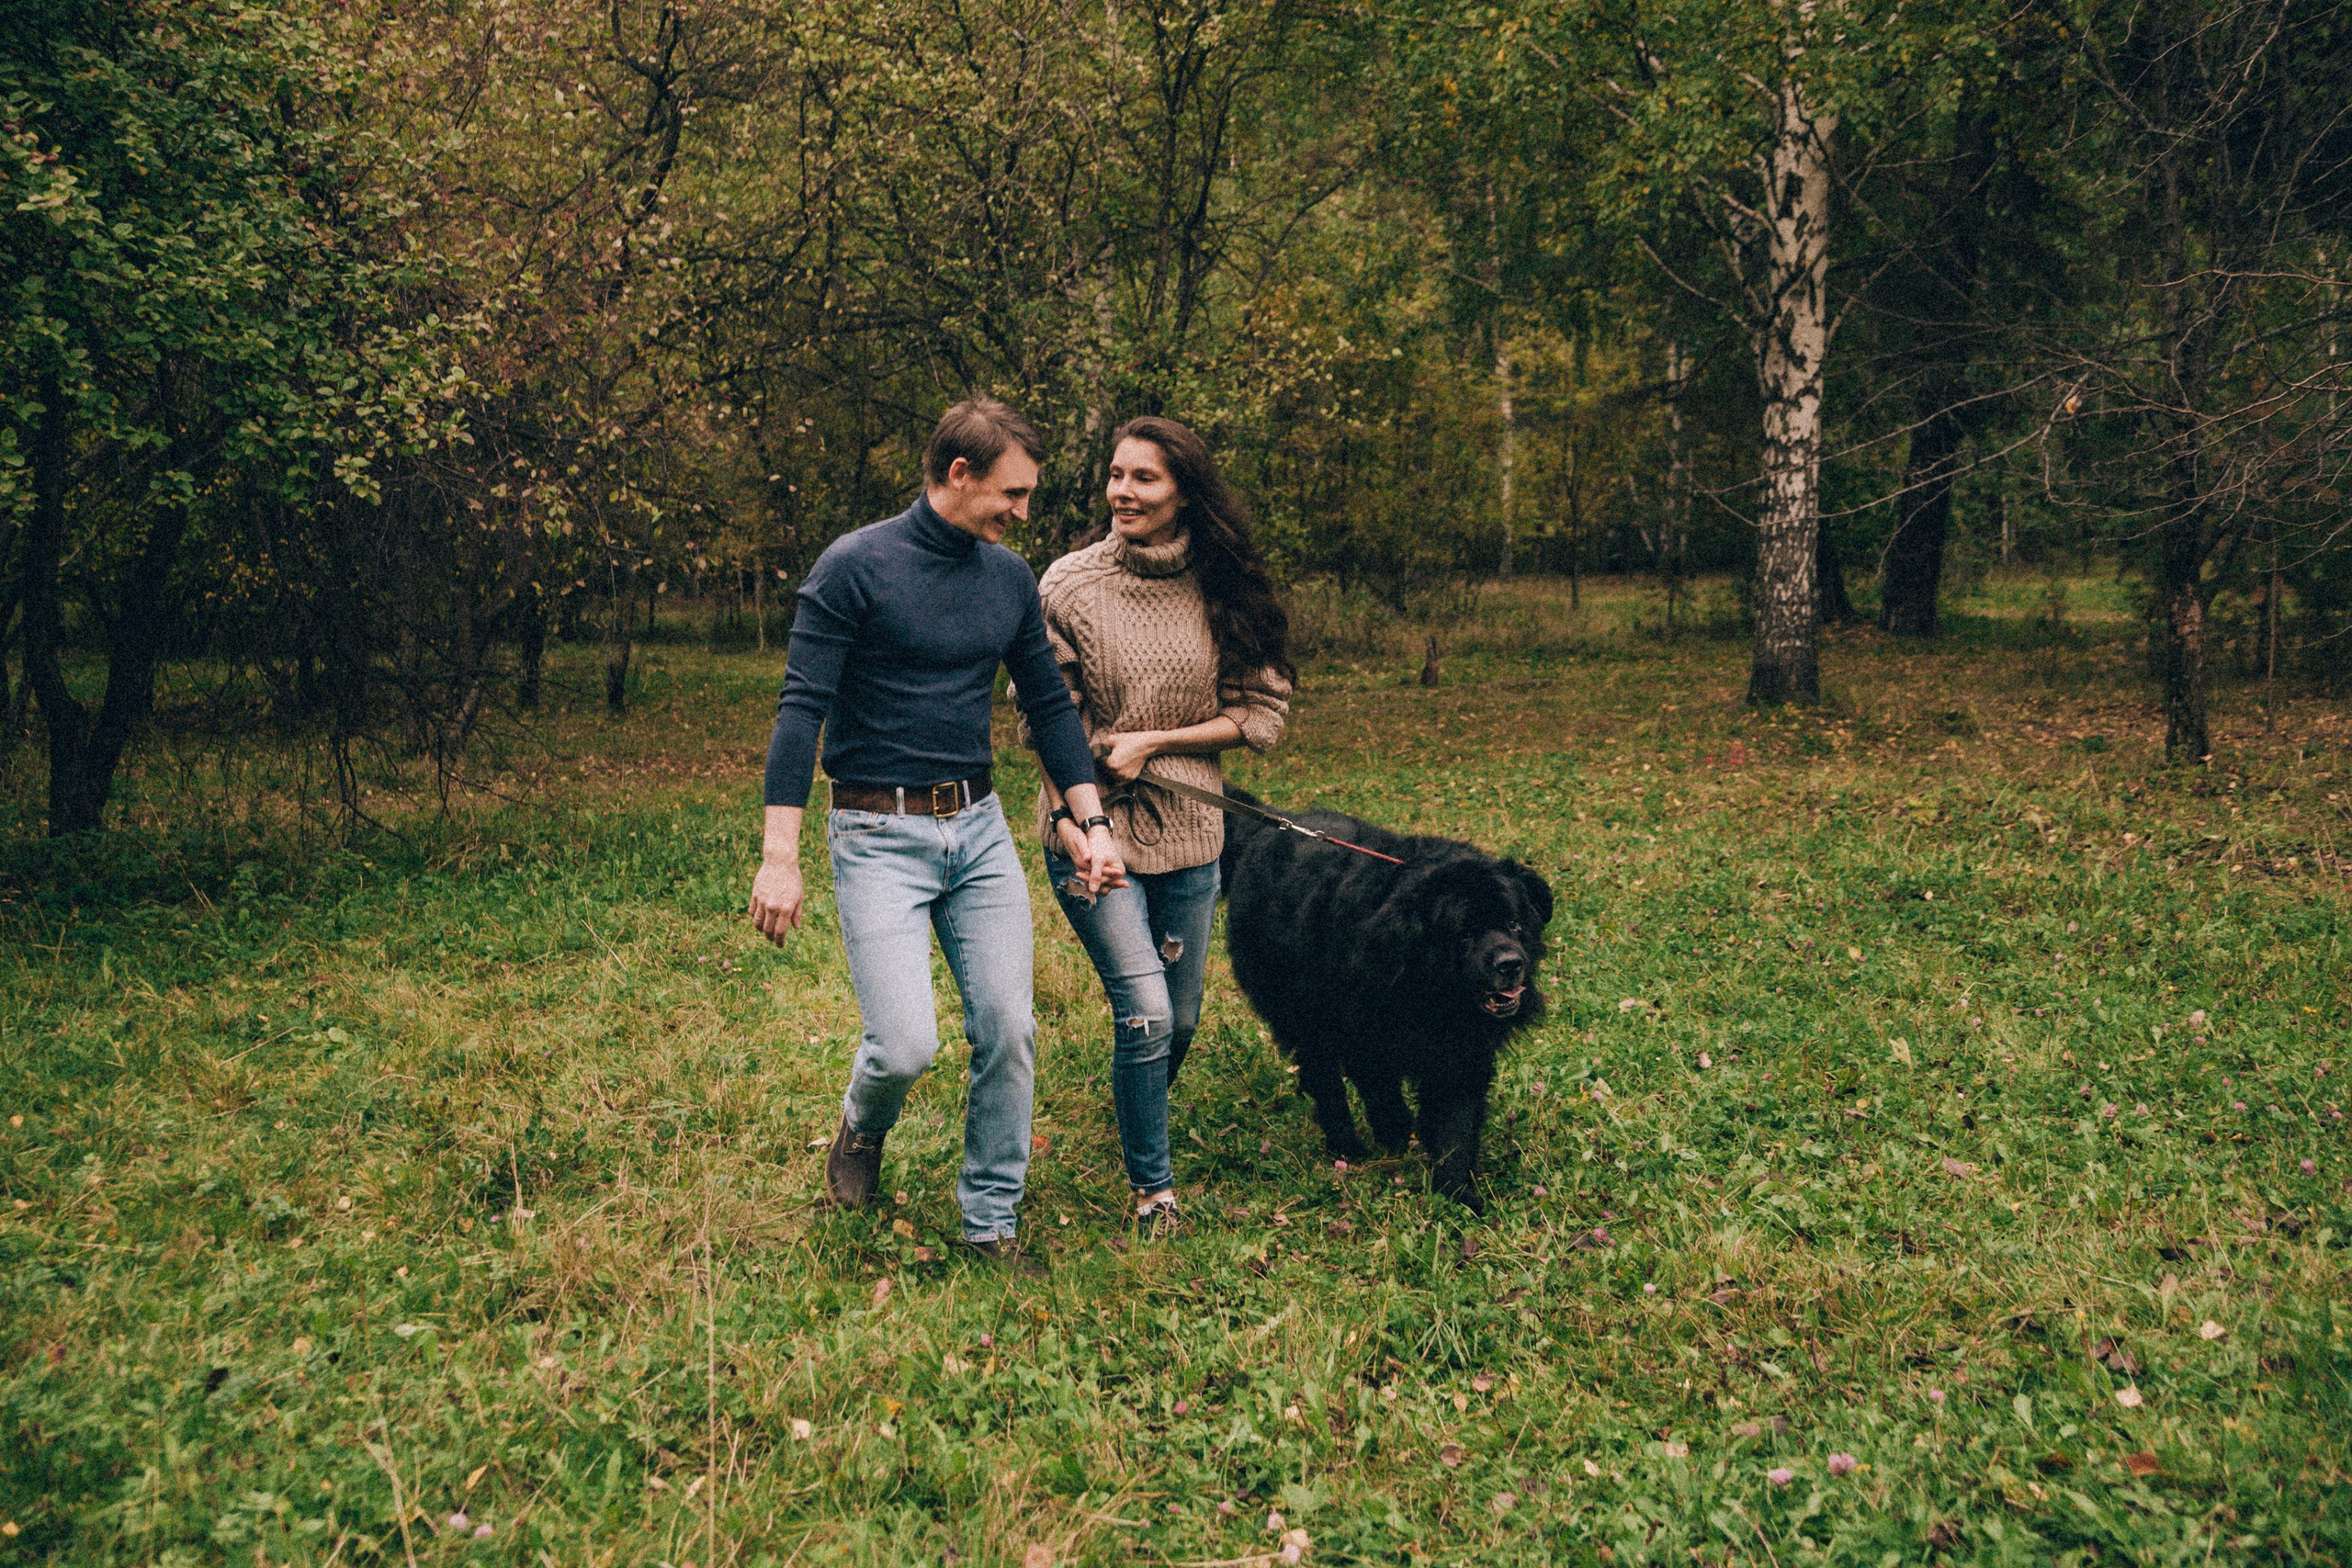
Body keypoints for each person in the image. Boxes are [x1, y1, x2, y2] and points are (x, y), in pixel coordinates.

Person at [748, 398, 1123, 1274]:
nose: (1024, 513)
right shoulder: (853, 568)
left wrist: (1092, 820)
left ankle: (989, 1221)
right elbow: (800, 709)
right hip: (877, 830)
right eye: (1013, 492)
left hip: (978, 829)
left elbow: (1046, 703)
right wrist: (779, 858)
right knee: (906, 1042)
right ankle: (862, 1124)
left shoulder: (1007, 580)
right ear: (960, 474)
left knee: (1009, 1025)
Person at [1026, 416, 1293, 1236]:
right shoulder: (1066, 587)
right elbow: (1047, 720)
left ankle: (1136, 1103)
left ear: (1185, 490)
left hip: (1191, 839)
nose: (1123, 492)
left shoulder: (1226, 588)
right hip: (1088, 835)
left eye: (1145, 478)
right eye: (1115, 475)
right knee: (1143, 1011)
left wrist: (1158, 742)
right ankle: (1154, 1191)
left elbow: (1262, 713)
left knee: (1178, 1022)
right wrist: (1083, 817)